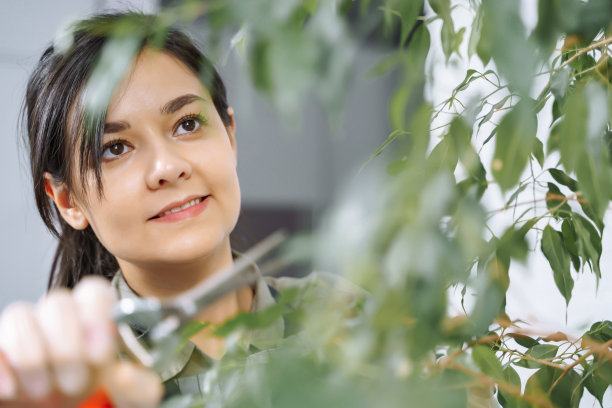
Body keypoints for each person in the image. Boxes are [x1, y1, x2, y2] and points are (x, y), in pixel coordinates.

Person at [0, 11, 320, 407]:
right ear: (68, 200)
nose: (168, 167)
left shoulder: (343, 317)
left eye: (187, 123)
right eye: (114, 148)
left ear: (230, 137)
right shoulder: (69, 382)